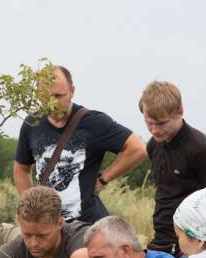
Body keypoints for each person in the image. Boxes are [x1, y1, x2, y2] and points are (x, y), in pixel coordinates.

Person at [13, 65, 147, 223]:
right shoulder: (32, 123)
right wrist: (31, 206)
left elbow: (137, 148)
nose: (53, 103)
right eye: (47, 97)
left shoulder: (93, 122)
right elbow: (21, 169)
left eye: (59, 95)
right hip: (48, 226)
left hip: (86, 224)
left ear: (72, 91)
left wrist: (104, 179)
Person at [138, 81, 206, 257]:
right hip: (161, 242)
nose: (154, 130)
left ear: (180, 110)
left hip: (193, 248)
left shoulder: (203, 151)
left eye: (161, 123)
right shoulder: (154, 145)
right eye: (149, 123)